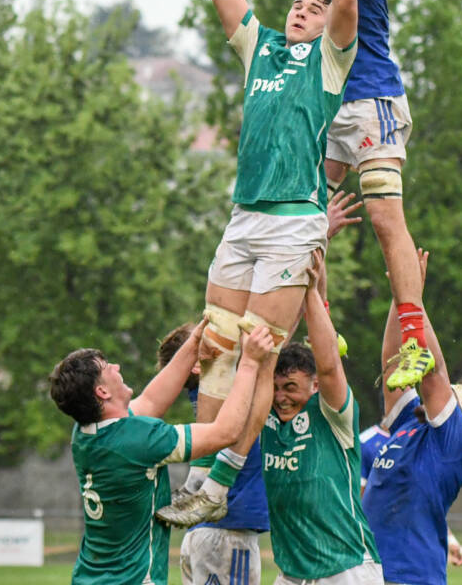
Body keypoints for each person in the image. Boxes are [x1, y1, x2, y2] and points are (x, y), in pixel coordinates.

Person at [161, 0, 360, 527]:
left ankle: (220, 483)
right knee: (217, 348)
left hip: (293, 222)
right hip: (243, 218)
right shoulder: (261, 49)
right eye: (299, 1)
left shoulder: (329, 60)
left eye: (313, 5)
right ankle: (198, 478)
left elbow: (349, 1)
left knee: (259, 350)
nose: (303, 6)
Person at [231, 0, 434, 392]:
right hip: (329, 102)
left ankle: (415, 339)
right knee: (307, 211)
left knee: (385, 218)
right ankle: (322, 318)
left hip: (371, 101)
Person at [47, 322, 273, 585]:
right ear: (102, 391)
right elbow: (226, 432)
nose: (116, 367)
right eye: (108, 368)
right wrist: (249, 363)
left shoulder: (85, 433)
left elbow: (152, 401)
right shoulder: (139, 440)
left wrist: (195, 341)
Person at [361, 249, 462, 585]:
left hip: (409, 576)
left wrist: (413, 298)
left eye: (454, 399)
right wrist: (400, 297)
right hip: (367, 573)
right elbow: (393, 364)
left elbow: (433, 371)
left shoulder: (454, 445)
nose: (444, 396)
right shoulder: (409, 425)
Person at [263, 250, 382, 585]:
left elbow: (328, 362)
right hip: (292, 575)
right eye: (275, 388)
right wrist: (312, 247)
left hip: (347, 569)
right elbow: (265, 359)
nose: (281, 397)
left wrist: (312, 293)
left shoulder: (331, 414)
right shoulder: (267, 416)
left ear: (315, 385)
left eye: (290, 387)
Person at [157, 323, 271, 585]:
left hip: (212, 534)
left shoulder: (212, 395)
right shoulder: (229, 393)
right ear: (198, 365)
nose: (228, 341)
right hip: (226, 536)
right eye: (216, 340)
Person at [358, 423, 462, 569]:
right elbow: (357, 499)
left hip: (412, 553)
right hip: (374, 549)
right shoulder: (365, 442)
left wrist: (450, 539)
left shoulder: (421, 441)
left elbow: (424, 502)